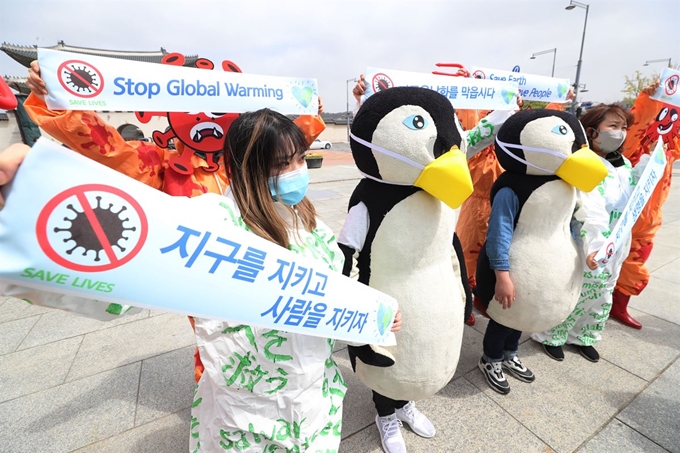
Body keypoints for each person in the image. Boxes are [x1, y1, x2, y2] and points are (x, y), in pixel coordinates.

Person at [0, 111, 402, 451]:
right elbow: (119, 277)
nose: (296, 172)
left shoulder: (305, 220)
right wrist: (27, 208)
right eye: (281, 163)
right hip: (247, 416)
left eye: (300, 159)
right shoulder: (210, 222)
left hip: (316, 402)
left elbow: (332, 295)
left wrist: (373, 317)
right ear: (246, 167)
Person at [532, 102, 649, 361]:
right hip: (588, 239)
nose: (619, 133)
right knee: (578, 288)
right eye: (613, 126)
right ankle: (552, 334)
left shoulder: (623, 164)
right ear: (592, 131)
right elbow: (590, 208)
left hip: (618, 240)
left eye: (623, 127)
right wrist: (596, 244)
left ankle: (584, 335)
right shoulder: (585, 163)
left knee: (604, 289)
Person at [613, 80, 680, 329]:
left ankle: (619, 305)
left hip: (651, 213)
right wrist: (650, 99)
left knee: (637, 258)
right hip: (623, 207)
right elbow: (637, 125)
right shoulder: (634, 141)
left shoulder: (670, 146)